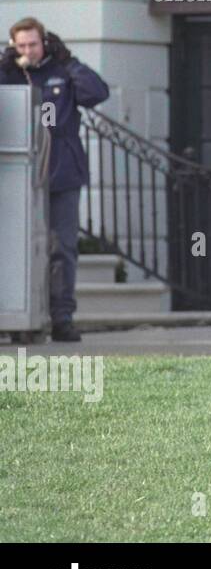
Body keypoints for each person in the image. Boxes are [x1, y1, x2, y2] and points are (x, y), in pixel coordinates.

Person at [0, 18, 109, 342]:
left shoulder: (61, 70)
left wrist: (69, 62)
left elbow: (96, 93)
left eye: (33, 44)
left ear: (44, 42)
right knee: (17, 246)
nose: (28, 52)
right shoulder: (10, 73)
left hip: (61, 170)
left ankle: (62, 316)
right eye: (21, 46)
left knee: (62, 247)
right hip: (17, 178)